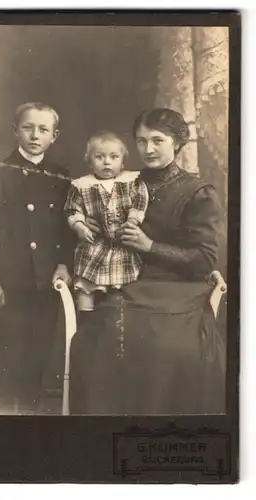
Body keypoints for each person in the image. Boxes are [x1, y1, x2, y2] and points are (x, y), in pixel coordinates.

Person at [69, 108, 226, 415]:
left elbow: (204, 259)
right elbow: (85, 216)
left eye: (158, 140)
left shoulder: (197, 192)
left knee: (165, 345)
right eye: (141, 141)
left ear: (177, 142)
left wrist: (149, 245)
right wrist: (90, 227)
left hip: (178, 288)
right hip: (128, 282)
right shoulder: (120, 182)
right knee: (102, 337)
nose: (149, 149)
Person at [0, 102, 74, 415]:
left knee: (38, 352)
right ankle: (3, 417)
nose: (35, 135)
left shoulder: (61, 177)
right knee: (7, 353)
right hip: (9, 279)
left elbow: (68, 227)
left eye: (43, 129)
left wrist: (63, 265)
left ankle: (28, 418)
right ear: (15, 130)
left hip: (46, 280)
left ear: (54, 136)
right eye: (28, 127)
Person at [64, 131, 149, 315]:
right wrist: (79, 225)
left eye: (114, 157)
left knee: (121, 289)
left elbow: (140, 201)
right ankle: (85, 316)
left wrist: (133, 220)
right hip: (95, 244)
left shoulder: (131, 182)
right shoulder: (81, 185)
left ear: (123, 162)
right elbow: (72, 209)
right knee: (86, 283)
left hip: (122, 245)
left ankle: (117, 321)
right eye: (99, 157)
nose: (107, 162)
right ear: (89, 162)